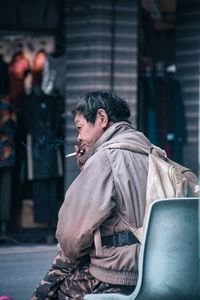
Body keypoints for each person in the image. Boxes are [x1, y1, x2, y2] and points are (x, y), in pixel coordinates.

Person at [31, 91, 151, 299]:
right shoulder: (151, 152)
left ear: (102, 119)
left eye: (80, 127)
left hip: (115, 271)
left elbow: (71, 238)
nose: (79, 137)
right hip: (152, 265)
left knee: (53, 290)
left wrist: (92, 169)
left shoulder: (105, 158)